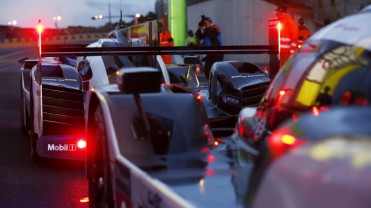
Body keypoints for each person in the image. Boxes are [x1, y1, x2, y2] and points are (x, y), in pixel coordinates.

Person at [202, 15, 223, 80]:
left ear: (209, 22)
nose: (204, 25)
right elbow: (199, 36)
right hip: (211, 52)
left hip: (217, 52)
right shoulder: (207, 30)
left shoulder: (215, 27)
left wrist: (206, 29)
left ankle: (219, 83)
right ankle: (211, 83)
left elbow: (212, 35)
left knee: (217, 70)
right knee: (207, 69)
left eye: (205, 23)